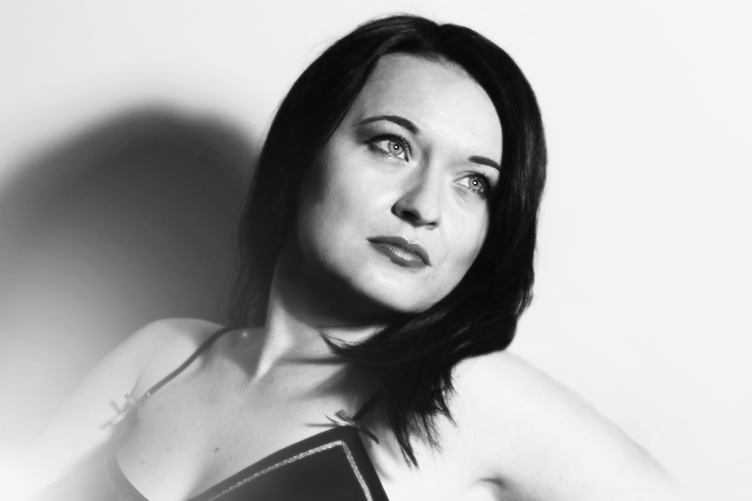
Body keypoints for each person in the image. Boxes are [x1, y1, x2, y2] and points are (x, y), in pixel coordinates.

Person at [19, 14, 683, 501]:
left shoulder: (464, 397)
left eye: (475, 183)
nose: (425, 205)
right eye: (393, 145)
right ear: (303, 153)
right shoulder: (164, 356)